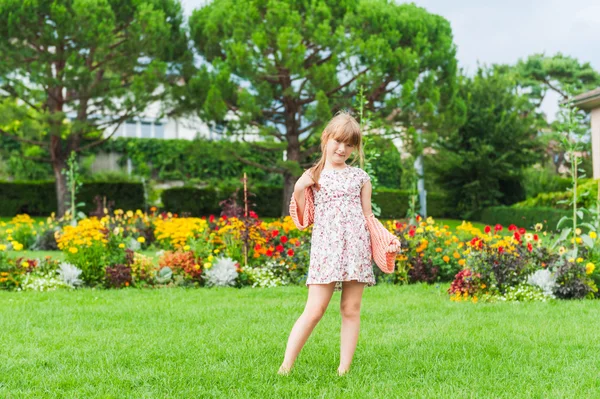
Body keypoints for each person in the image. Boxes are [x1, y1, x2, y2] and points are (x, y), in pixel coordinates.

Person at [278, 111, 401, 376]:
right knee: (314, 309)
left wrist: (386, 240)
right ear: (326, 139)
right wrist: (299, 188)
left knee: (351, 308)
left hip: (356, 249)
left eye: (349, 144)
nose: (342, 148)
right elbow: (303, 219)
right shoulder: (314, 175)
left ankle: (343, 370)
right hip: (326, 251)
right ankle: (285, 366)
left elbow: (368, 217)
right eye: (338, 141)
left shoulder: (360, 177)